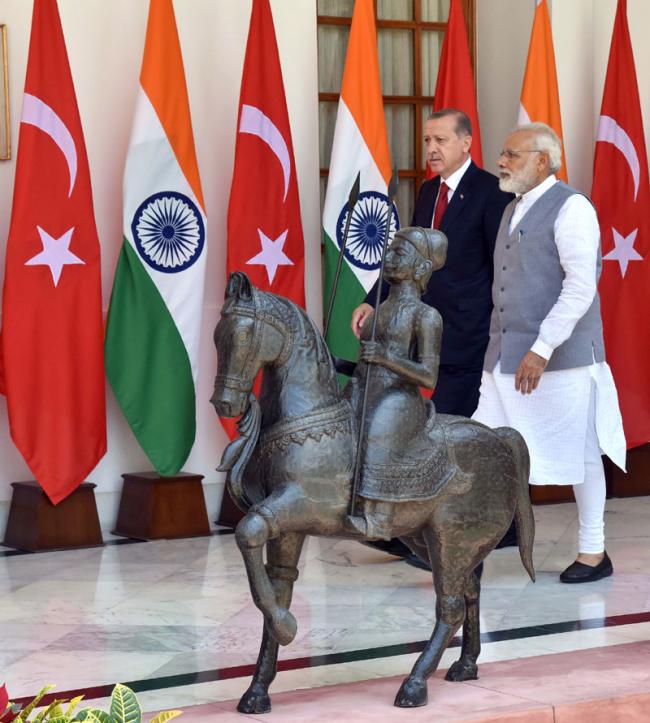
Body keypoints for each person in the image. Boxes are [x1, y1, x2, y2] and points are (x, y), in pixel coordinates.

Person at [352, 108, 515, 565]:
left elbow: (502, 269)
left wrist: (498, 331)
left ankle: (473, 534)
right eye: (427, 141)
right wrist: (372, 298)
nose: (431, 149)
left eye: (441, 140)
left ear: (466, 142)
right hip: (423, 334)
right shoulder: (428, 192)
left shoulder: (490, 192)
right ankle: (414, 532)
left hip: (469, 334)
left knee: (452, 431)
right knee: (422, 429)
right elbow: (409, 256)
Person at [472, 121, 626, 584]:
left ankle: (594, 552)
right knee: (484, 448)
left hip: (559, 360)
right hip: (502, 357)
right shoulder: (511, 208)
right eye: (503, 153)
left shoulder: (572, 207)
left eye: (511, 155)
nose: (501, 162)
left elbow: (580, 287)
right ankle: (471, 546)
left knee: (581, 452)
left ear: (542, 161)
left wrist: (541, 349)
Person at [345, 227, 446, 540]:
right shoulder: (379, 310)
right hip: (367, 390)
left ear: (422, 267)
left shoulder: (426, 316)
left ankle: (381, 514)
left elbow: (428, 375)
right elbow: (366, 365)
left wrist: (386, 357)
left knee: (376, 424)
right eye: (389, 251)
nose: (388, 258)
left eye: (399, 253)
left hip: (398, 400)